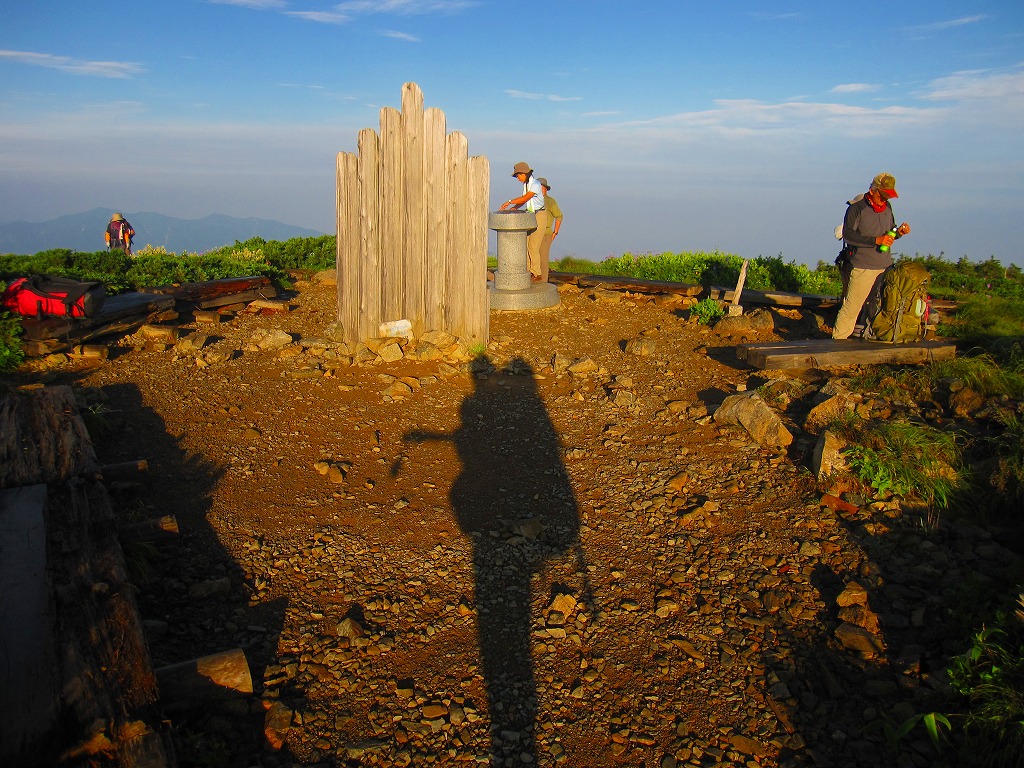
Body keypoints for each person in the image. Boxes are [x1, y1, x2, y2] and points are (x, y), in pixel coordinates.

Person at [832, 173, 910, 340]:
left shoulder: (888, 208)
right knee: (851, 308)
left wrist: (899, 232)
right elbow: (848, 235)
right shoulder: (856, 208)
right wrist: (876, 240)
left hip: (885, 266)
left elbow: (891, 231)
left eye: (888, 196)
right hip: (862, 267)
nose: (885, 199)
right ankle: (836, 345)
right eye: (883, 195)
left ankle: (868, 340)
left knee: (877, 305)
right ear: (873, 190)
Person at [499, 162, 549, 283]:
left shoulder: (535, 184)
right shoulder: (527, 185)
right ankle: (527, 272)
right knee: (526, 245)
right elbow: (524, 200)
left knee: (533, 246)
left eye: (518, 176)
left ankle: (536, 273)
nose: (517, 178)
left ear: (524, 173)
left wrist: (510, 201)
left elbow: (526, 198)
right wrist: (514, 208)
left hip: (539, 215)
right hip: (531, 214)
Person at [537, 178, 562, 283]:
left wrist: (555, 232)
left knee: (543, 257)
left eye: (541, 187)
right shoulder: (533, 201)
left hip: (546, 233)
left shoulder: (550, 201)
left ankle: (543, 281)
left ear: (545, 189)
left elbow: (559, 216)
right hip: (534, 233)